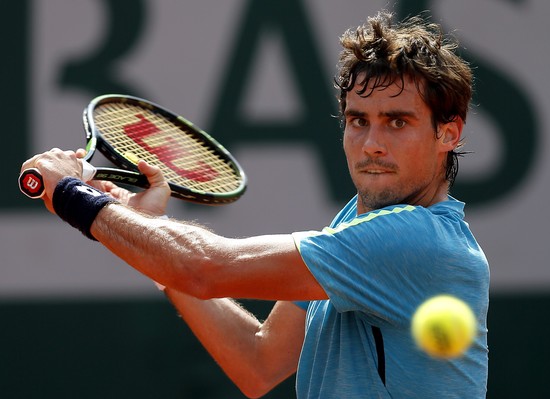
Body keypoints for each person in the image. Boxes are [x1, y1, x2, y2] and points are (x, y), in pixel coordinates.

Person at [21, 11, 489, 398]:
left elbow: (205, 266)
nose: (371, 144)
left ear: (448, 132)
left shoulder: (417, 240)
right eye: (357, 120)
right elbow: (258, 361)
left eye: (397, 122)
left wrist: (71, 196)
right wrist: (144, 224)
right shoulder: (355, 222)